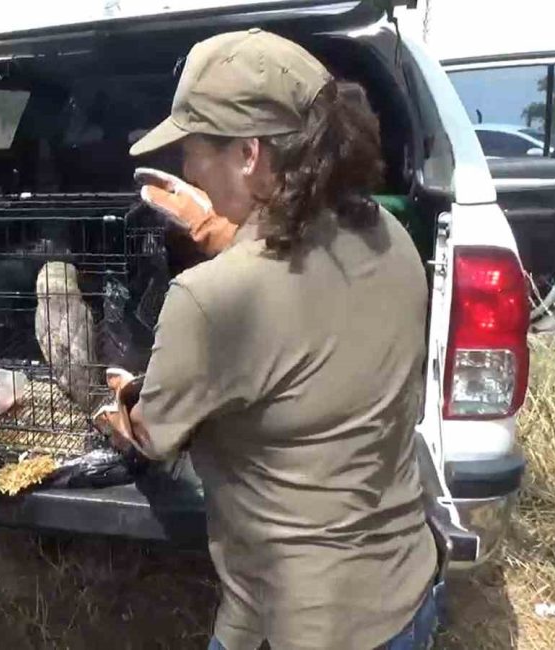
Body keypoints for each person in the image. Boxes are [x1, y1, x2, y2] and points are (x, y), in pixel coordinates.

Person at [100, 30, 442, 649]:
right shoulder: (390, 235)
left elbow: (155, 434)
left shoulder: (209, 299)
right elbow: (300, 293)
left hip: (303, 626)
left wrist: (124, 404)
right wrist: (217, 228)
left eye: (192, 149)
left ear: (249, 155)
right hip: (407, 590)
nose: (187, 169)